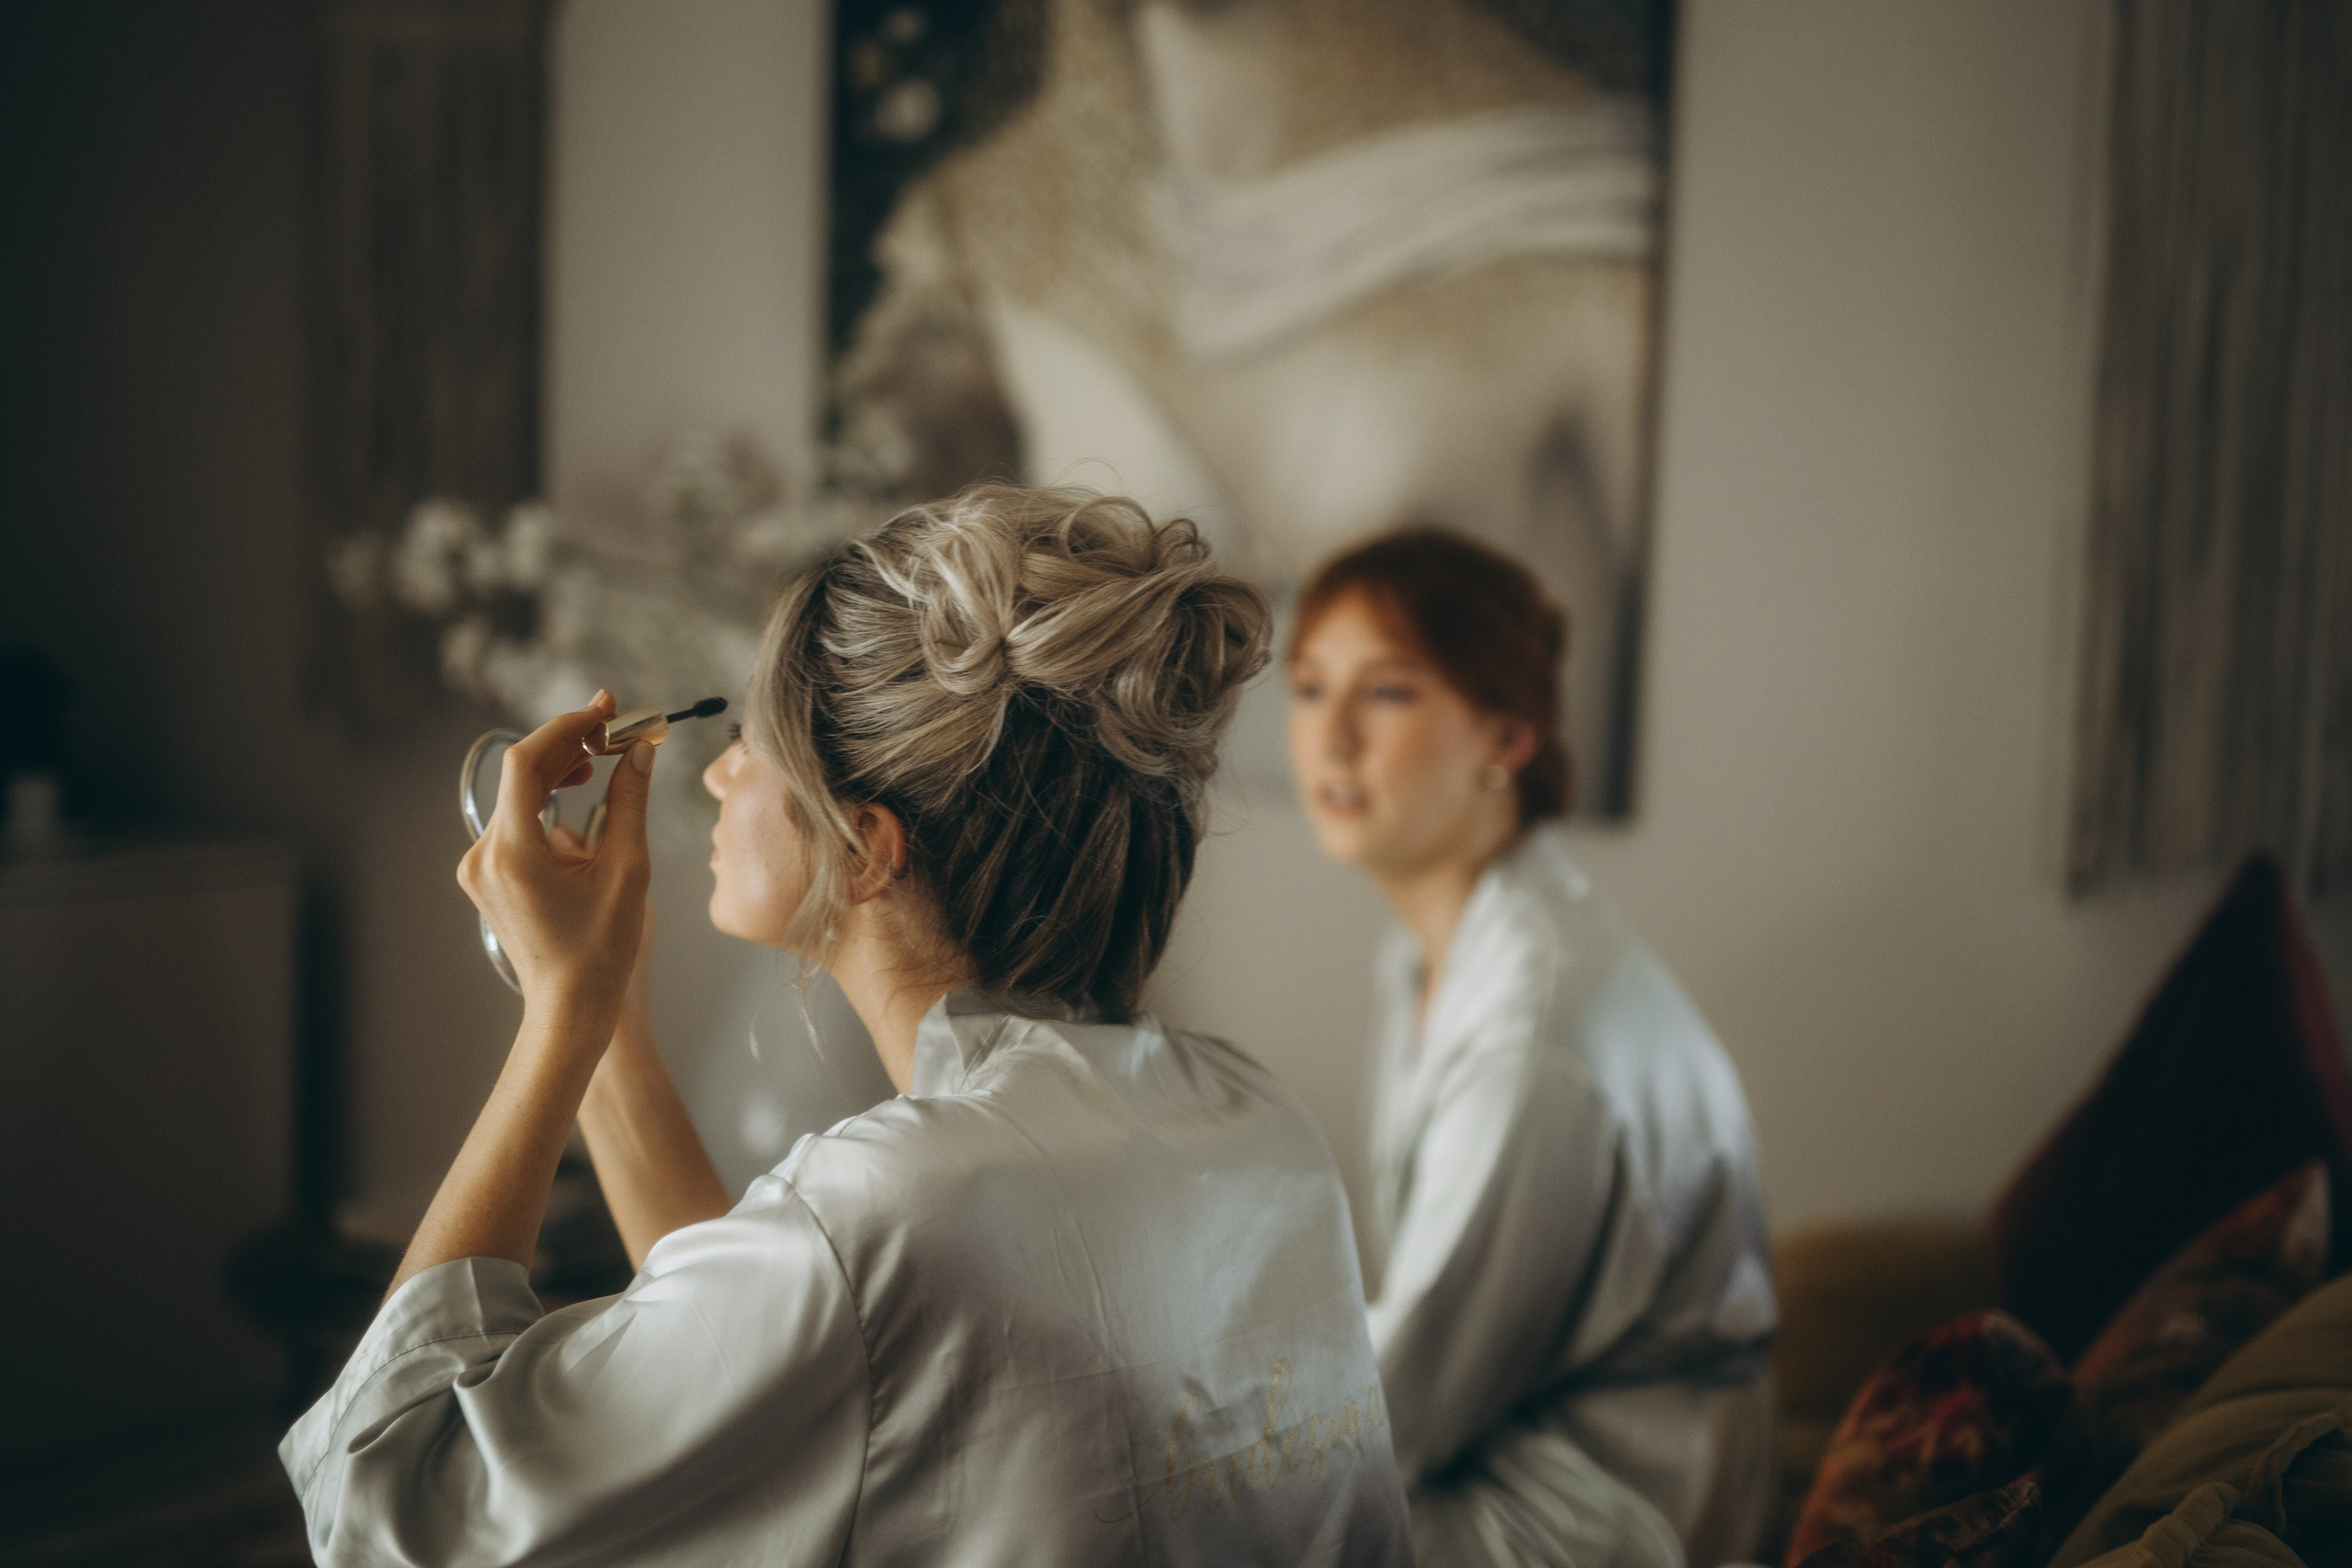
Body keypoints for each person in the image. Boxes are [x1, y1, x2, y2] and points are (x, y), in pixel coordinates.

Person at [283, 487, 1411, 1566]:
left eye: (757, 742)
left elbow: (383, 1500)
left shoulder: (894, 1209)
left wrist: (559, 1020)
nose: (721, 771)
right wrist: (602, 1016)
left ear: (865, 847)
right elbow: (772, 1362)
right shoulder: (1258, 1121)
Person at [1285, 526, 1777, 1568]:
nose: (1329, 738)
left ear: (1506, 735)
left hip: (1607, 1511)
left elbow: (1397, 1408)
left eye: (1387, 692)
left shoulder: (1533, 1027)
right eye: (1309, 686)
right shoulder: (1434, 953)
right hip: (1510, 1452)